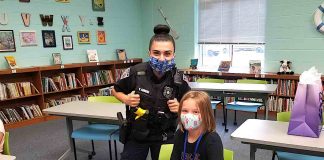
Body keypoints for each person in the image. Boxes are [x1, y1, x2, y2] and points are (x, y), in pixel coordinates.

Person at [112, 24, 191, 160]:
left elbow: (192, 104)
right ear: (149, 52)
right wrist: (125, 99)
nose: (161, 58)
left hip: (166, 134)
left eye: (167, 53)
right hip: (137, 133)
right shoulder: (135, 72)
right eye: (156, 53)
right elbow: (115, 90)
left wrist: (181, 108)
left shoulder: (179, 78)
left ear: (174, 55)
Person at [171, 91, 224, 160]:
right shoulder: (180, 134)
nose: (189, 116)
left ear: (206, 115)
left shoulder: (212, 140)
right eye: (185, 111)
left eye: (195, 112)